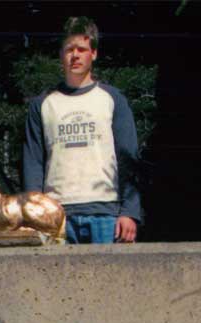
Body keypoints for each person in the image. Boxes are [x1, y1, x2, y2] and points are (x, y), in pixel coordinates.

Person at [23, 16, 141, 244]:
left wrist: (130, 211)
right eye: (69, 49)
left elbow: (129, 157)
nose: (75, 55)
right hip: (55, 215)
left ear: (93, 53)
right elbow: (33, 162)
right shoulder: (43, 104)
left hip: (106, 214)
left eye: (82, 49)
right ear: (61, 54)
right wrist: (34, 213)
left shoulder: (113, 99)